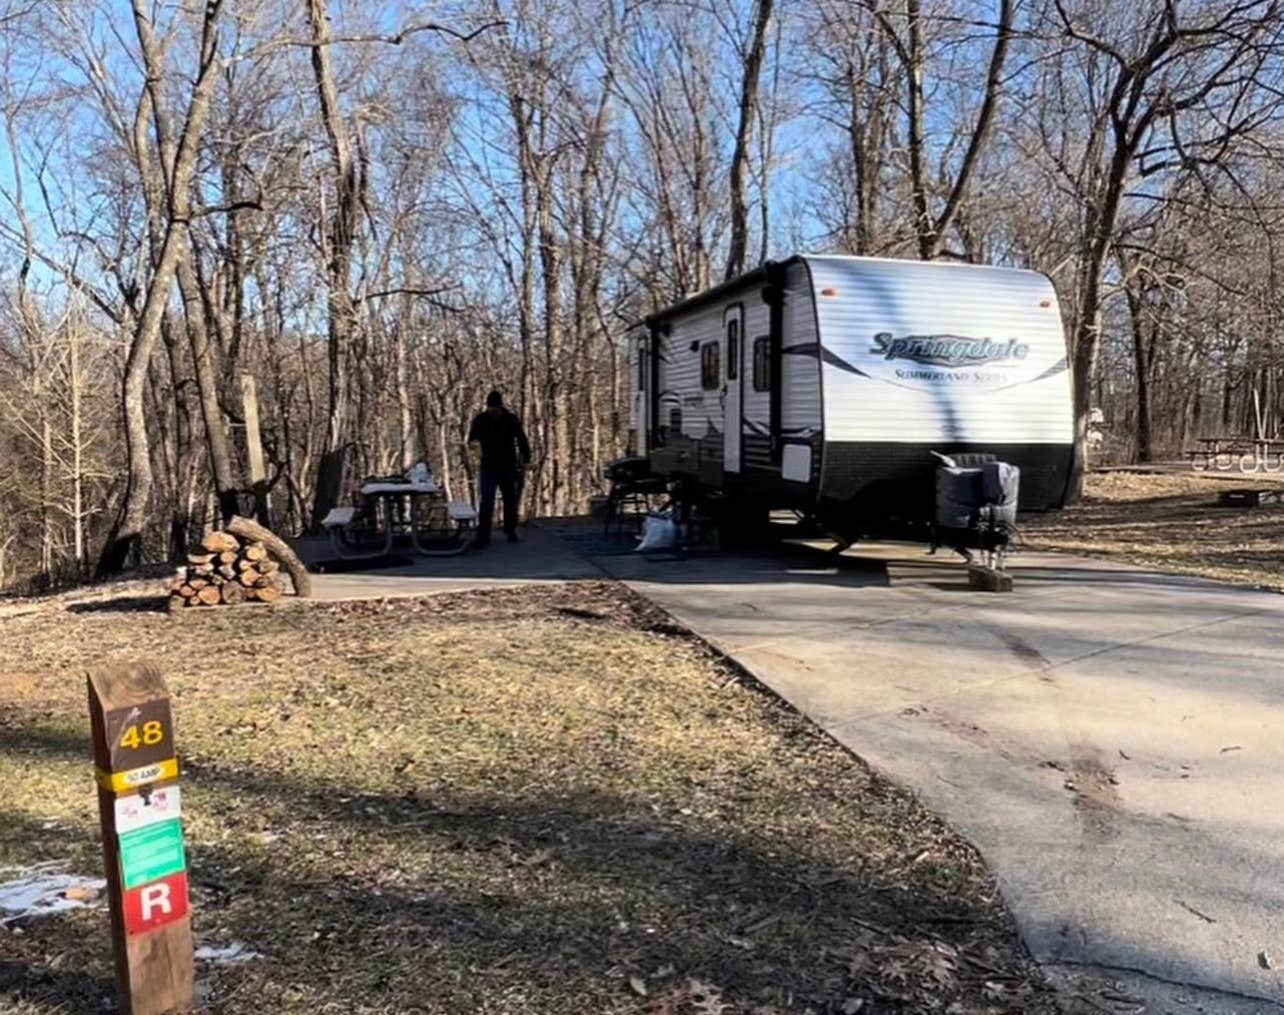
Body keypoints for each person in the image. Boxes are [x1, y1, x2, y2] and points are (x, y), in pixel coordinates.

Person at [467, 390, 531, 547]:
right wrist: (478, 454)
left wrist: (526, 458)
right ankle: (483, 535)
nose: (493, 411)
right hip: (488, 466)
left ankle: (510, 529)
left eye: (495, 408)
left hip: (508, 465)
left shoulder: (510, 419)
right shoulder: (480, 420)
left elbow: (521, 439)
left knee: (510, 499)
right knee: (486, 501)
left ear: (500, 407)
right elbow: (472, 440)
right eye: (491, 408)